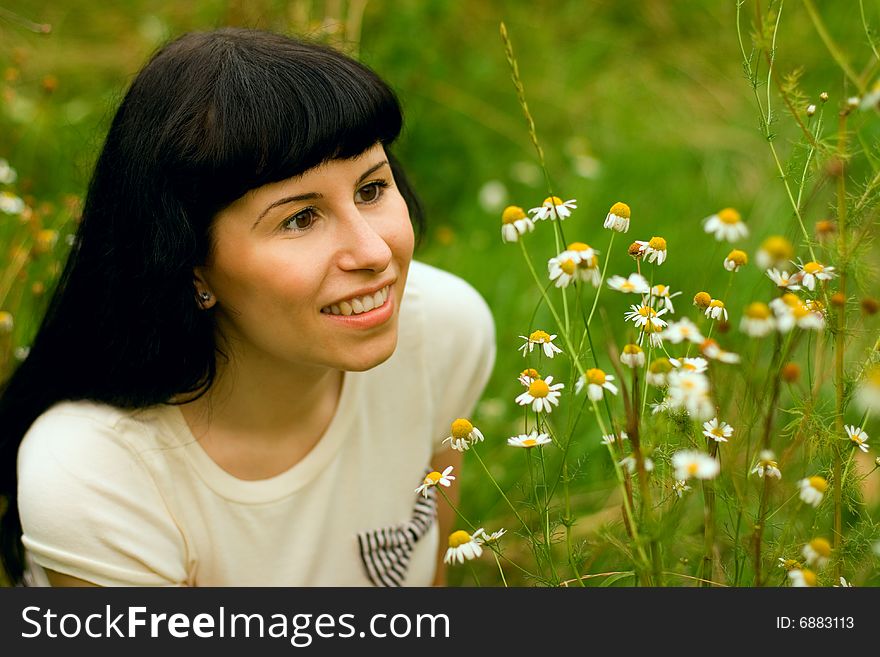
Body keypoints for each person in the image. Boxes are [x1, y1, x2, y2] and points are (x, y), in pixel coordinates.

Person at [0, 28, 495, 586]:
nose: (375, 252)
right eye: (300, 219)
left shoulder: (444, 331)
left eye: (371, 190)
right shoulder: (97, 473)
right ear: (191, 264)